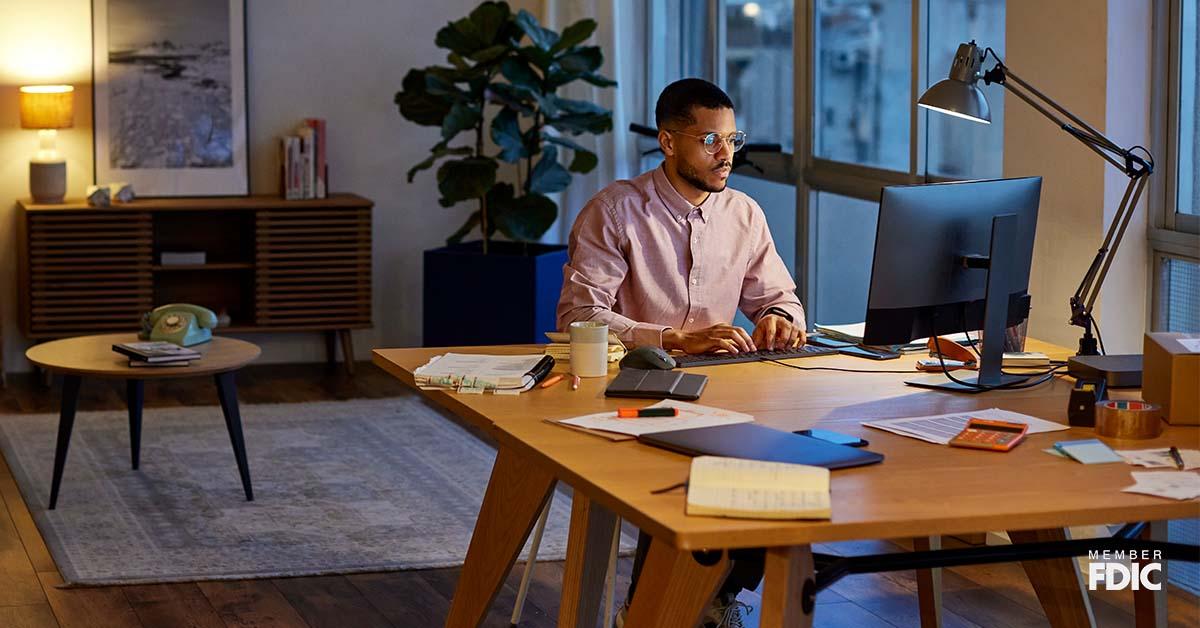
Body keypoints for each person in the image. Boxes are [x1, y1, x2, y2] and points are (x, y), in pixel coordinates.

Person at [556, 78, 807, 628]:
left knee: (787, 459)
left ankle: (713, 600)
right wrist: (670, 338)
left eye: (732, 139)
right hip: (633, 389)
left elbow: (783, 298)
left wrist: (778, 319)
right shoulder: (616, 211)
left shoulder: (743, 213)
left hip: (725, 388)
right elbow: (579, 317)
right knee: (702, 464)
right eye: (710, 141)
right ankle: (652, 611)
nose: (726, 156)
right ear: (669, 143)